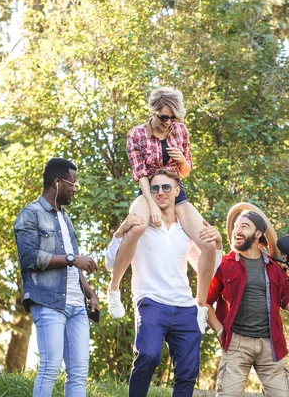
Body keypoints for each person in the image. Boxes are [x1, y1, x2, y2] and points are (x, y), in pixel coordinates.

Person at [106, 169, 223, 397]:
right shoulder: (142, 227)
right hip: (151, 301)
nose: (160, 192)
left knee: (188, 372)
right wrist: (119, 232)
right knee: (148, 356)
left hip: (185, 307)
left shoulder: (185, 230)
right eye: (155, 188)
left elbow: (206, 267)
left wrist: (217, 245)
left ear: (177, 191)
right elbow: (112, 263)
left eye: (166, 187)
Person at [108, 87, 216, 334]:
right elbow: (141, 176)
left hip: (175, 191)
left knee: (208, 243)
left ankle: (200, 305)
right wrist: (152, 205)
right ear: (153, 112)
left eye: (174, 118)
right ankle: (113, 289)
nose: (169, 123)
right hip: (148, 190)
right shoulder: (136, 134)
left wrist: (182, 160)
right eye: (164, 117)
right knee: (137, 227)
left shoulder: (179, 131)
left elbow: (186, 172)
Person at [14, 158, 99, 397]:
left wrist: (89, 292)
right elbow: (30, 257)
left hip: (76, 306)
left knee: (79, 373)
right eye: (72, 183)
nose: (74, 189)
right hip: (49, 302)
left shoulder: (65, 218)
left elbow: (73, 266)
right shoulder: (30, 214)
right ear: (57, 182)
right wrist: (73, 259)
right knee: (50, 368)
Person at [206, 209, 289, 396]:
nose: (237, 230)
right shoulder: (225, 264)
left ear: (258, 234)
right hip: (236, 344)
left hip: (271, 345)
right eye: (235, 227)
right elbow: (205, 302)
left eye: (244, 226)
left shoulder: (274, 268)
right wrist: (220, 330)